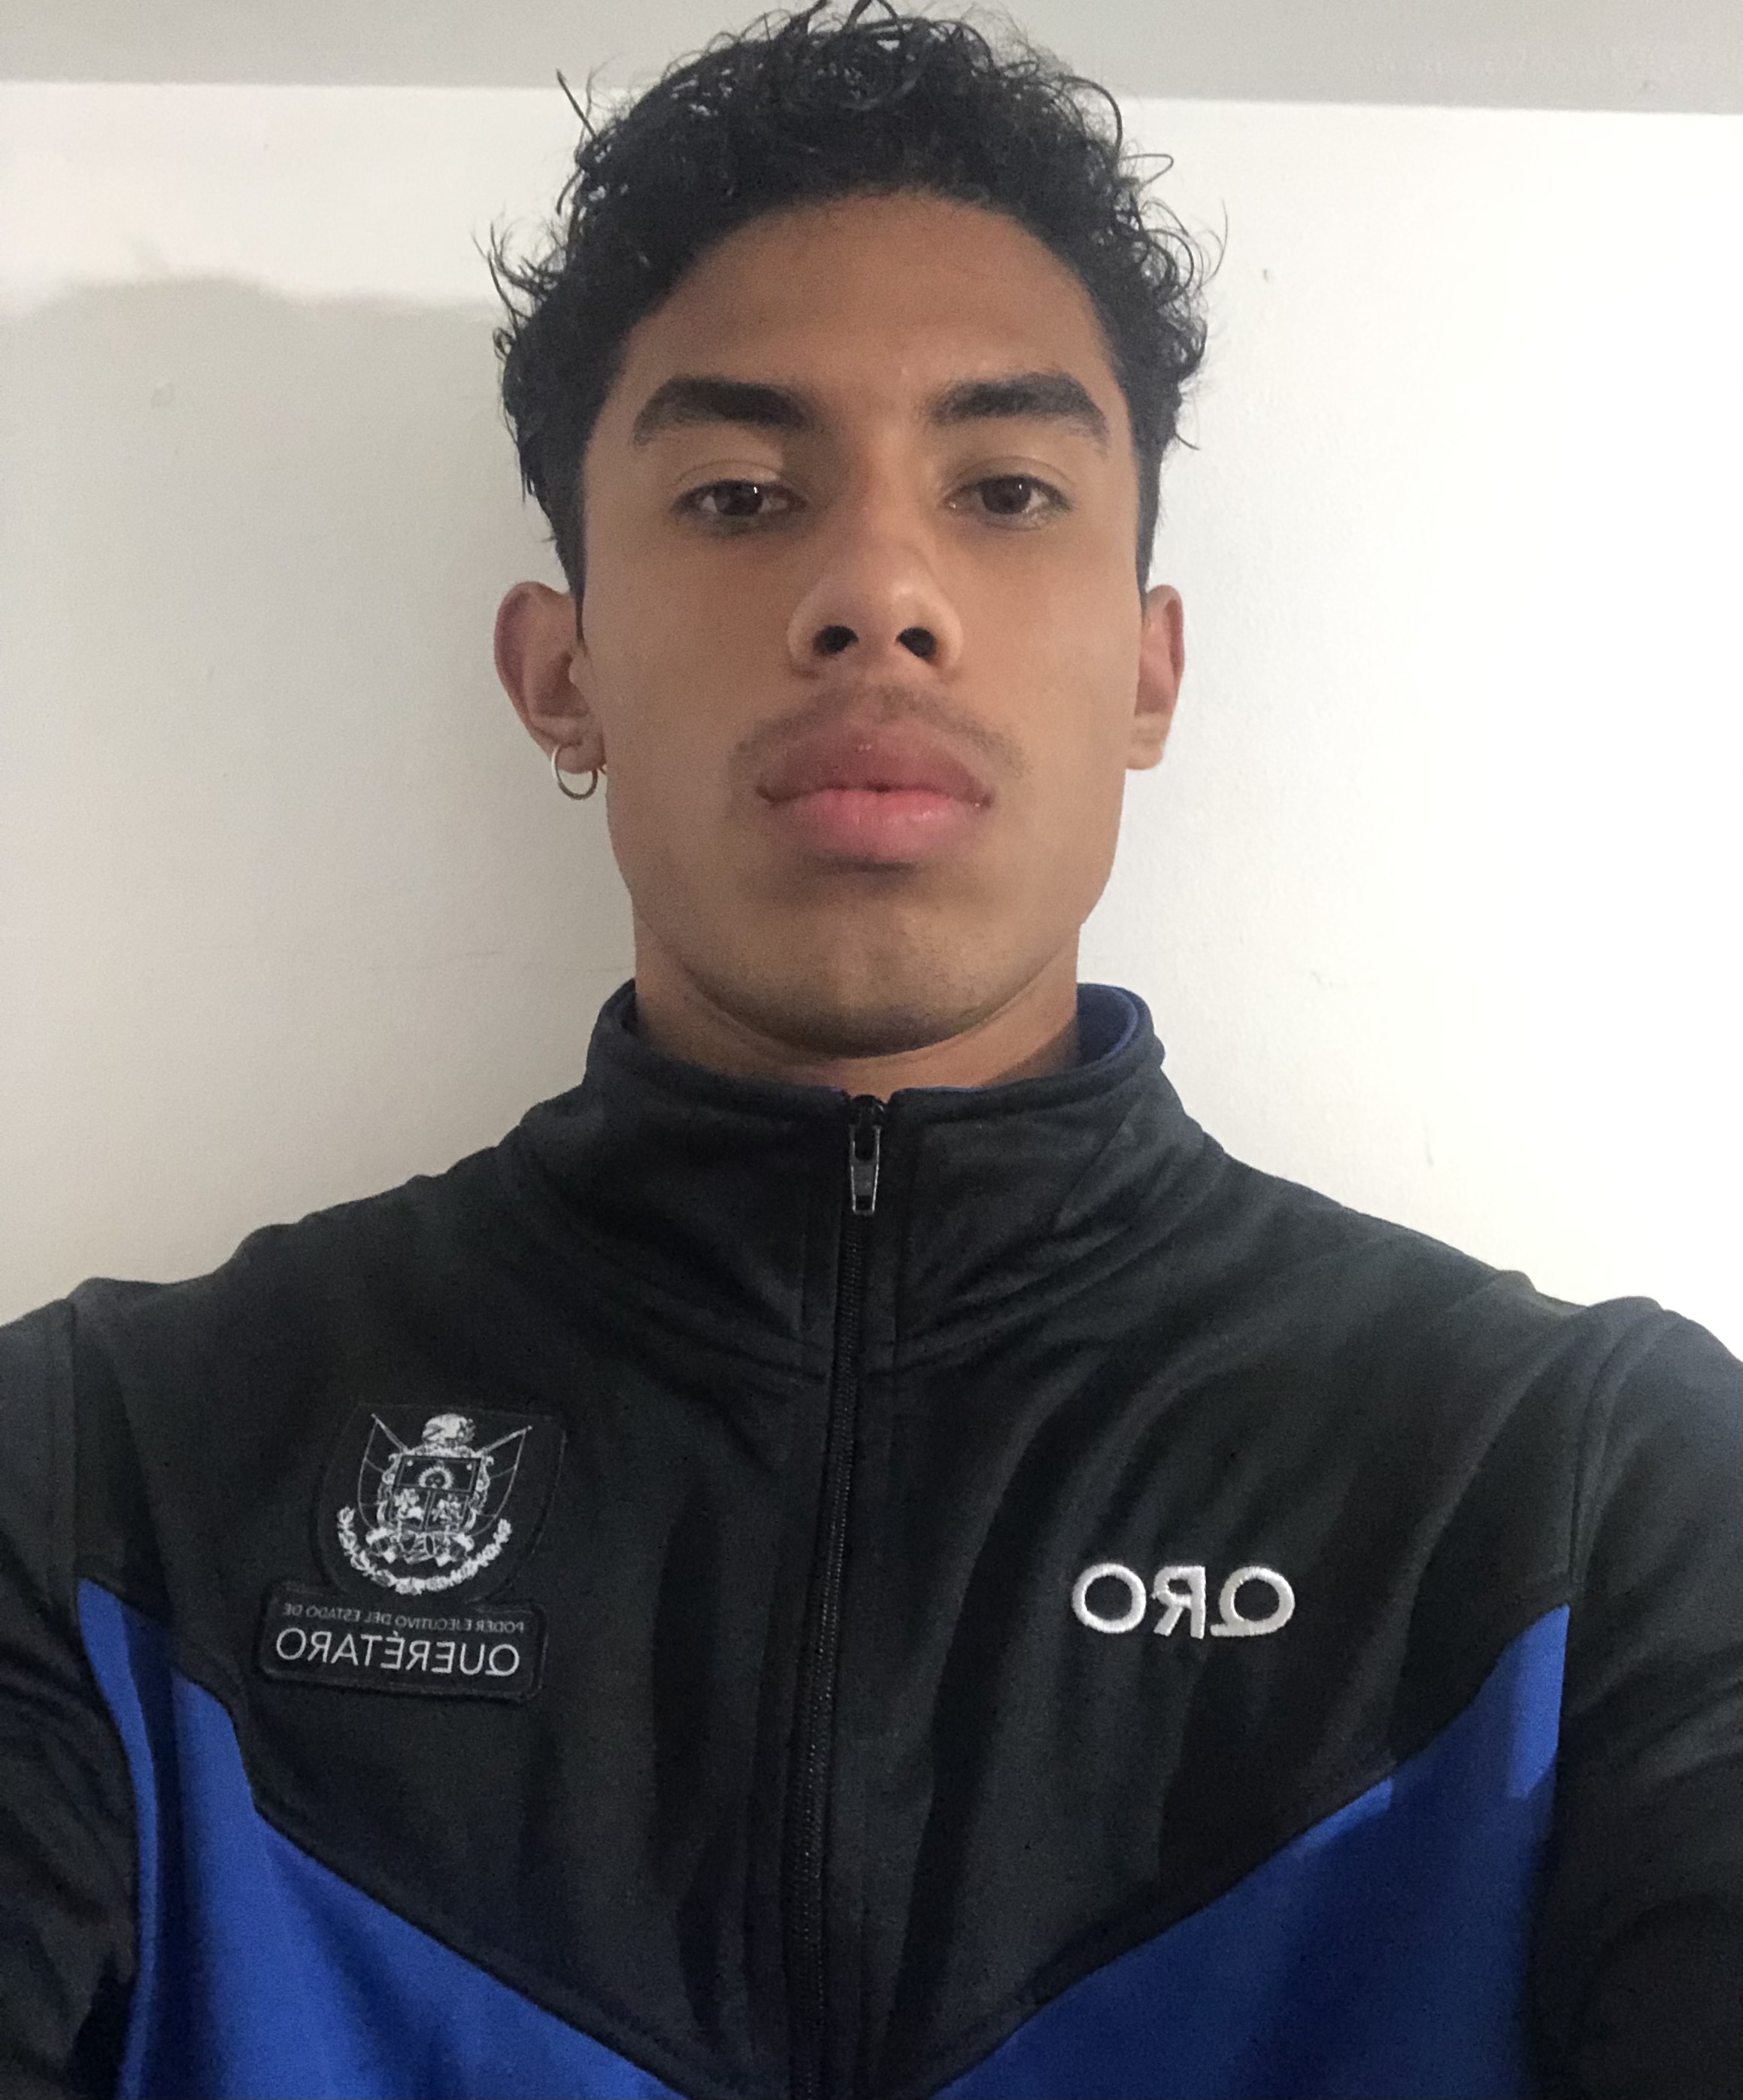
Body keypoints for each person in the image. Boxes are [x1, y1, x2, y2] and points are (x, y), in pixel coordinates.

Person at [2, 4, 1738, 2095]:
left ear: (1149, 674)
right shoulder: (110, 1474)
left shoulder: (1581, 1499)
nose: (879, 590)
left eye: (1005, 489)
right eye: (740, 493)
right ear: (562, 675)